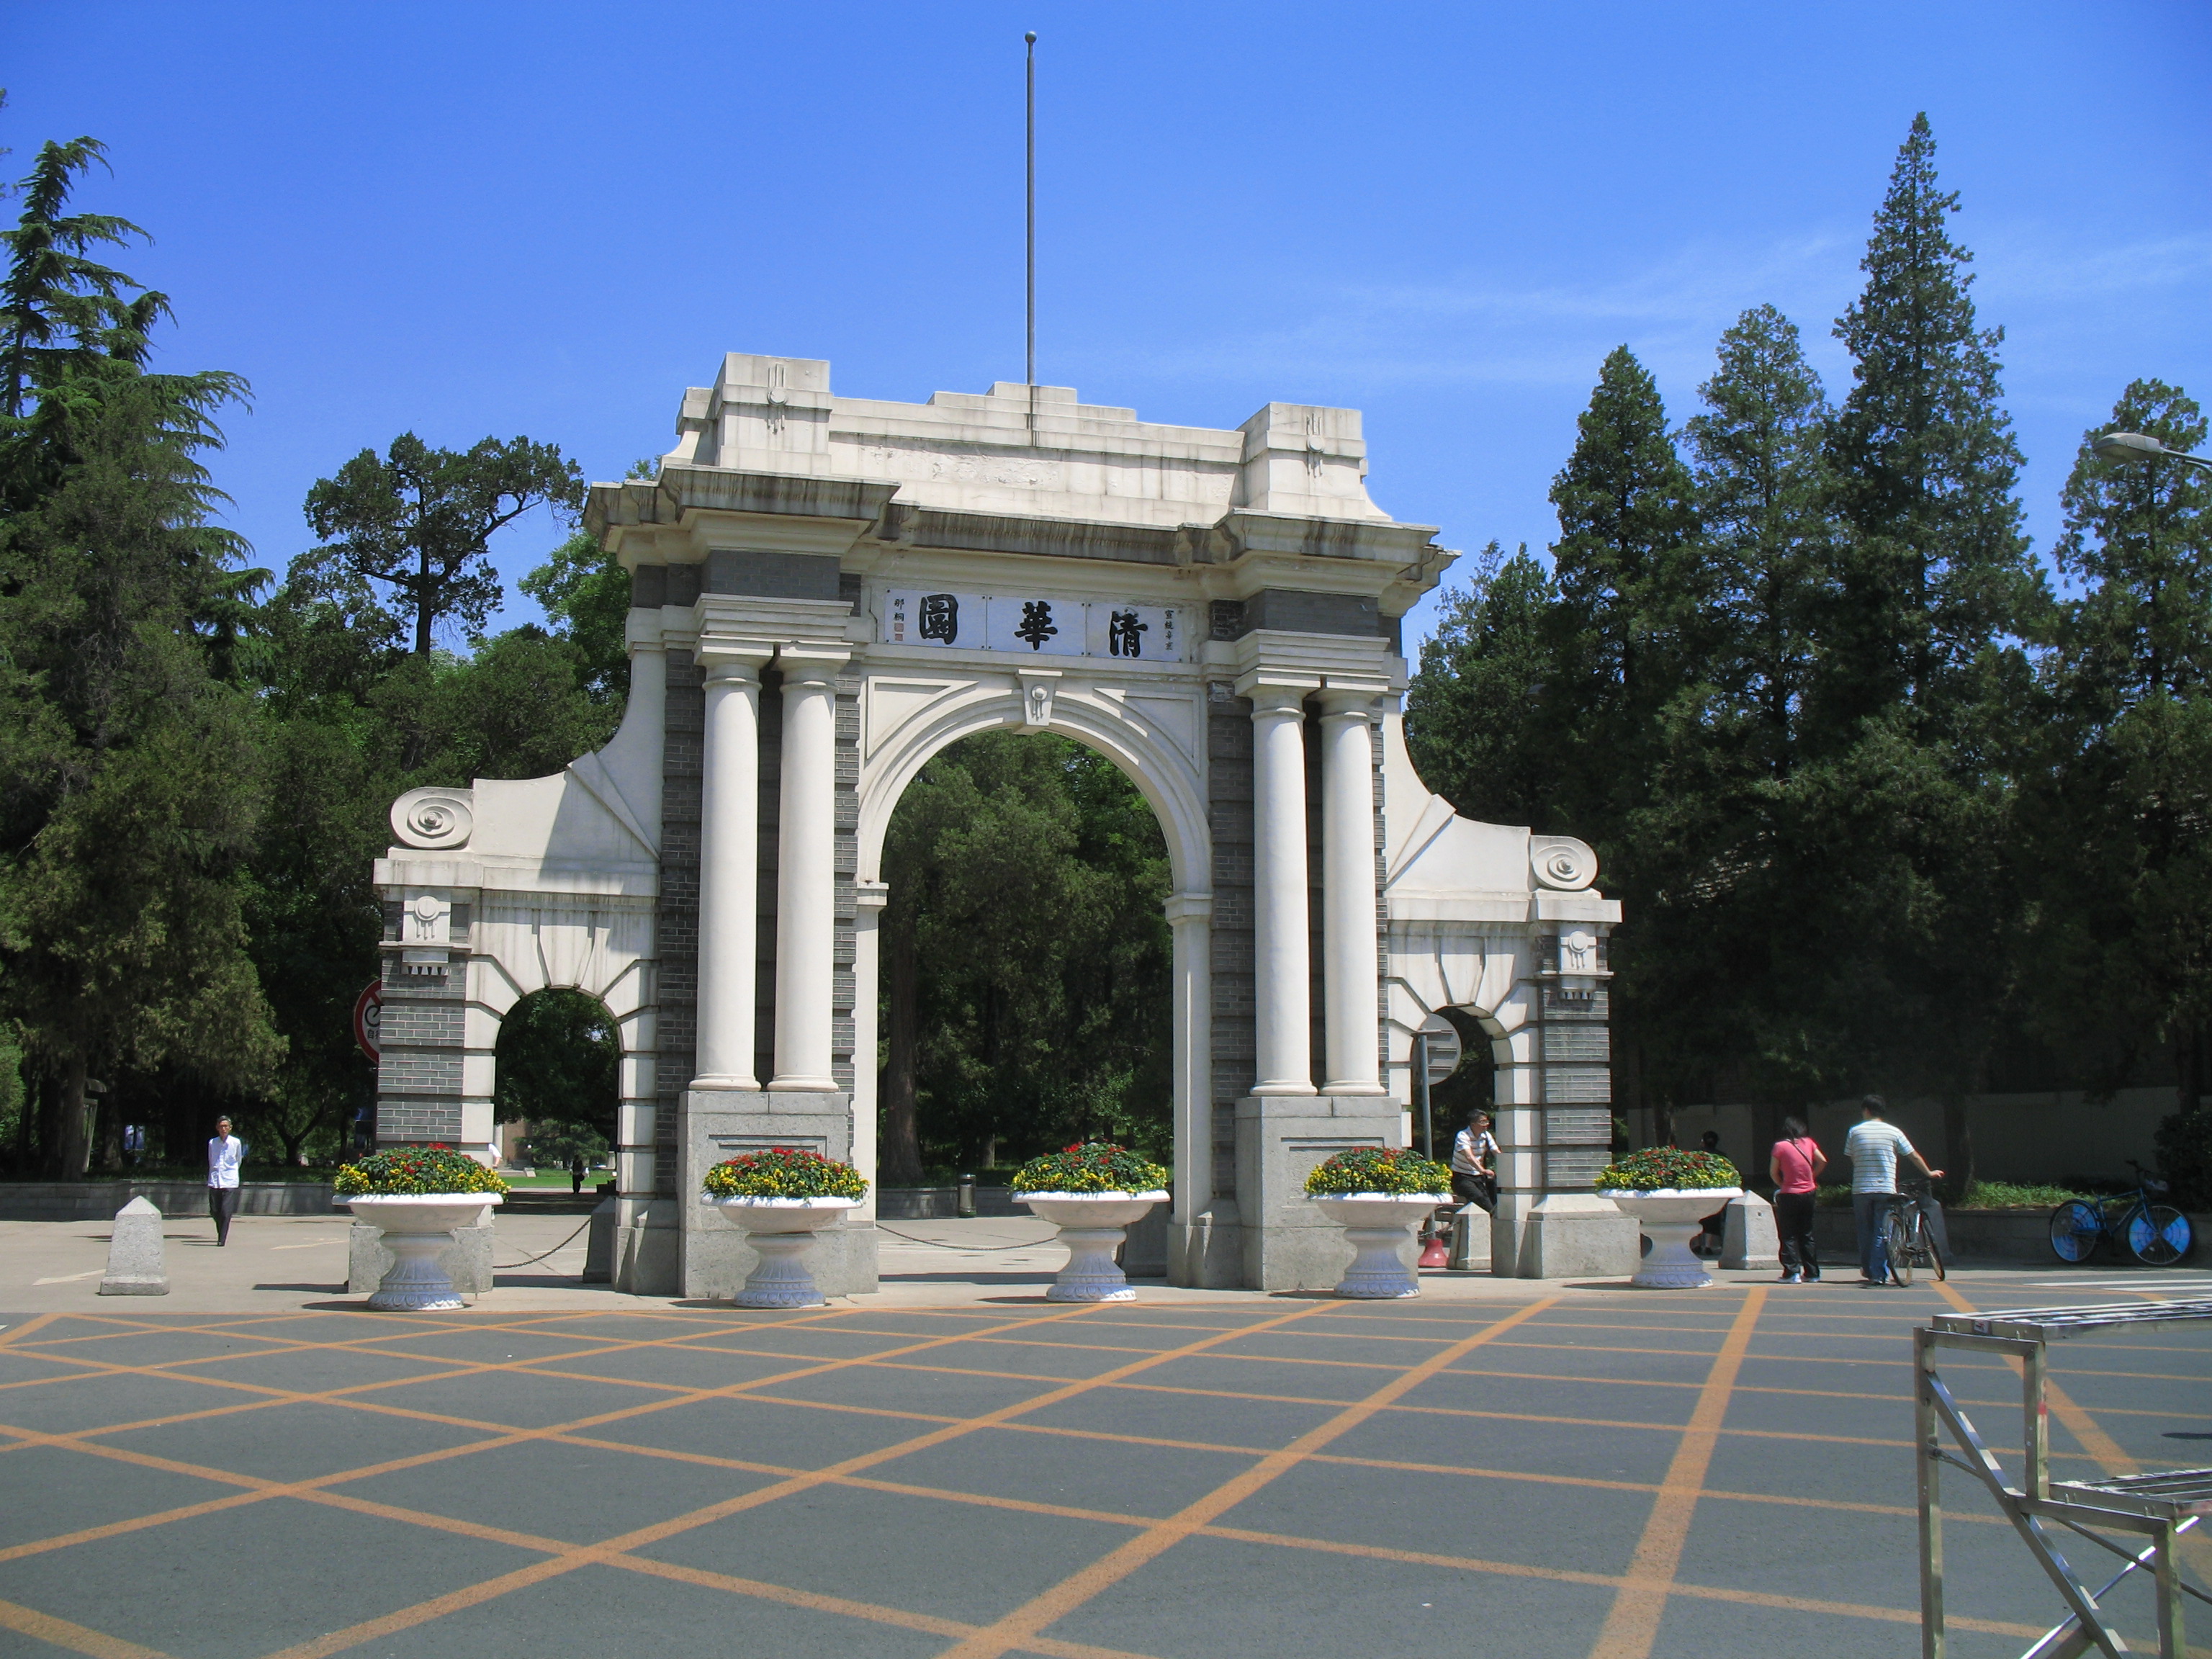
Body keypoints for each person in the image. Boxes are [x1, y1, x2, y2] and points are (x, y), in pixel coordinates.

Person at [1844, 1096, 1942, 1285]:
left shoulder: (1854, 1132)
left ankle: (1869, 1269)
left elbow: (1853, 1157)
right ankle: (1879, 1274)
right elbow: (1912, 1155)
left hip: (1861, 1189)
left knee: (1865, 1231)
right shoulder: (1894, 1132)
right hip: (1885, 1188)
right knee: (1882, 1231)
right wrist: (1929, 1172)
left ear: (1866, 1110)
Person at [1769, 1115, 1826, 1283]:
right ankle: (1812, 1273)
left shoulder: (1780, 1146)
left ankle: (1791, 1272)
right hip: (1809, 1192)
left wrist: (1782, 1184)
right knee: (1806, 1233)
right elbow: (1822, 1161)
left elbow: (1773, 1171)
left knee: (1788, 1234)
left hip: (1789, 1194)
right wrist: (1812, 1177)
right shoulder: (1809, 1142)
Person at [1450, 1110, 1500, 1214]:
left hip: (1479, 1177)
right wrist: (1482, 1170)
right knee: (1482, 1200)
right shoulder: (1463, 1136)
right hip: (1462, 1178)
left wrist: (1507, 1163)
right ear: (1473, 1124)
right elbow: (1469, 1156)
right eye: (1483, 1122)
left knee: (1495, 1197)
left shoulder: (1486, 1136)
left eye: (1487, 1122)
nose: (1486, 1125)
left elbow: (1495, 1151)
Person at [207, 1116, 246, 1246]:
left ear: (230, 1128)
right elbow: (211, 1160)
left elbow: (238, 1160)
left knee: (225, 1210)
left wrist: (232, 1172)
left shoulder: (236, 1143)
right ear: (217, 1128)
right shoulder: (213, 1143)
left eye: (226, 1126)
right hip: (215, 1180)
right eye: (221, 1126)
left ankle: (222, 1238)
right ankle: (221, 1231)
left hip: (229, 1180)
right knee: (214, 1210)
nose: (223, 1129)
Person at [1694, 1130, 1730, 1256]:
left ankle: (1698, 1244)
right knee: (1713, 1218)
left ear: (1703, 1142)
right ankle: (1708, 1246)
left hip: (1699, 1190)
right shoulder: (1722, 1156)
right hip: (1715, 1191)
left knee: (1697, 1217)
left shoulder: (1696, 1156)